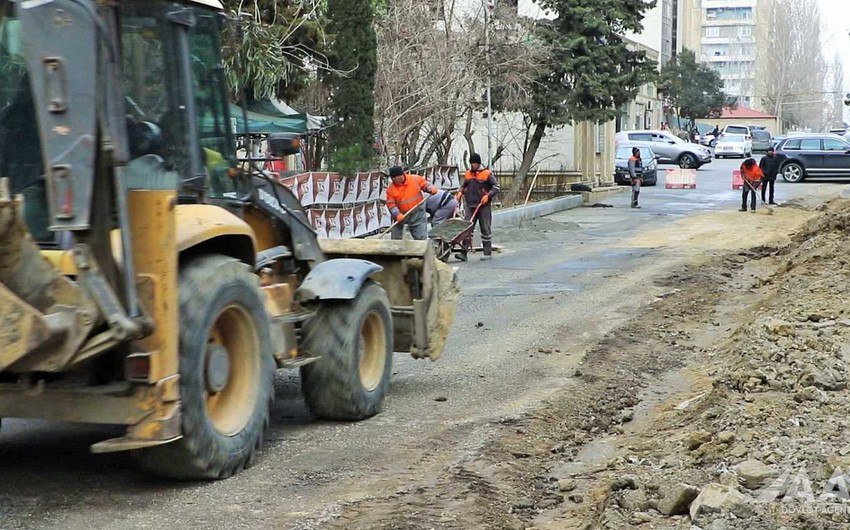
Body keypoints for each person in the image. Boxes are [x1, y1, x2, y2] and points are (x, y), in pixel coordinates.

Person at [455, 153, 499, 261]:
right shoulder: (468, 174)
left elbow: (496, 187)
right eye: (471, 163)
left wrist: (488, 196)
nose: (472, 165)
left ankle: (487, 253)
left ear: (478, 163)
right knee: (467, 229)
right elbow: (464, 186)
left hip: (483, 206)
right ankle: (463, 252)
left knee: (485, 228)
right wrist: (460, 192)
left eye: (474, 163)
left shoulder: (487, 174)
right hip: (470, 205)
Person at [385, 166, 438, 240]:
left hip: (417, 213)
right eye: (397, 177)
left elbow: (425, 184)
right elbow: (391, 204)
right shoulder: (391, 190)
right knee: (396, 239)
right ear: (393, 178)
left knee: (421, 238)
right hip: (401, 216)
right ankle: (396, 249)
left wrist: (430, 188)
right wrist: (397, 214)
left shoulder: (414, 179)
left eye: (401, 175)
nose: (401, 178)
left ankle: (421, 249)